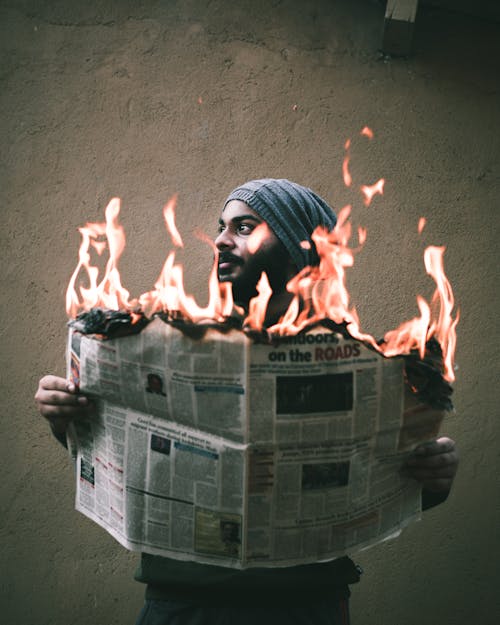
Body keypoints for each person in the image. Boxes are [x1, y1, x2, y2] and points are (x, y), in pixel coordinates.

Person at [35, 179, 459, 625]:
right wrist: (65, 415)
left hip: (306, 609)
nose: (220, 240)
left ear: (301, 247)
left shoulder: (359, 362)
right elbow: (124, 456)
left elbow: (383, 484)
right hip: (181, 608)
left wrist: (433, 477)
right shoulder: (174, 344)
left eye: (243, 226)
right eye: (222, 227)